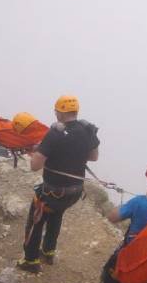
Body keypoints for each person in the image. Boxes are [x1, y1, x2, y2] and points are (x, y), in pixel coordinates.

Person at [18, 95, 99, 272]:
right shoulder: (88, 130)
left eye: (56, 111)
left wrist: (43, 151)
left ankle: (30, 260)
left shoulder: (55, 133)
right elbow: (94, 157)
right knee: (56, 214)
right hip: (75, 192)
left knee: (37, 220)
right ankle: (48, 252)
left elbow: (35, 166)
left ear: (61, 113)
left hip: (52, 192)